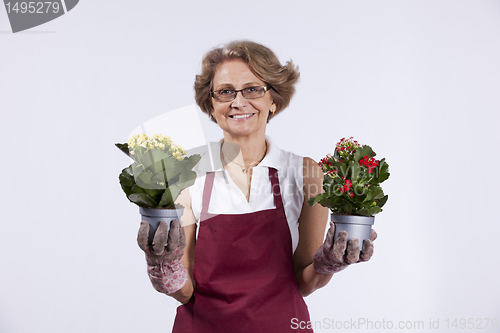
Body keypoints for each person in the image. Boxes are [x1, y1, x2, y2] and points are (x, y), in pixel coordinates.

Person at [136, 40, 377, 332]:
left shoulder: (304, 173)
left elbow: (305, 281)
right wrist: (165, 268)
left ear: (273, 100)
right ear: (211, 105)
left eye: (252, 89)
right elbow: (185, 290)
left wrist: (328, 262)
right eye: (225, 92)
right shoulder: (187, 172)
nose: (238, 102)